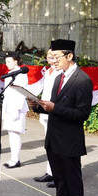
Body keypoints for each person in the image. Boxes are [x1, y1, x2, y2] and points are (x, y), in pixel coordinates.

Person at [31, 39, 93, 196]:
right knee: (59, 180)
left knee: (72, 182)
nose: (53, 61)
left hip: (70, 140)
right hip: (54, 137)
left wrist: (54, 108)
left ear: (69, 56)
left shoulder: (83, 80)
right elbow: (53, 106)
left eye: (56, 57)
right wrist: (38, 106)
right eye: (51, 56)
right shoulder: (59, 78)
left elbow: (82, 113)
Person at [33, 49, 62, 186]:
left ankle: (58, 174)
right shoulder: (49, 71)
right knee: (49, 145)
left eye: (53, 55)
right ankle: (50, 172)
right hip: (45, 110)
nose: (50, 57)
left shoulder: (61, 71)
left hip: (54, 110)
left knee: (57, 146)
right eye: (49, 55)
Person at [2, 52, 30, 169]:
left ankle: (16, 159)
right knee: (10, 133)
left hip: (16, 108)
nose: (7, 64)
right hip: (8, 107)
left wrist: (16, 110)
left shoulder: (22, 74)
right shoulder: (10, 73)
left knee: (15, 133)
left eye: (9, 61)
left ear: (15, 61)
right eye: (6, 61)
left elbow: (21, 93)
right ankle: (13, 158)